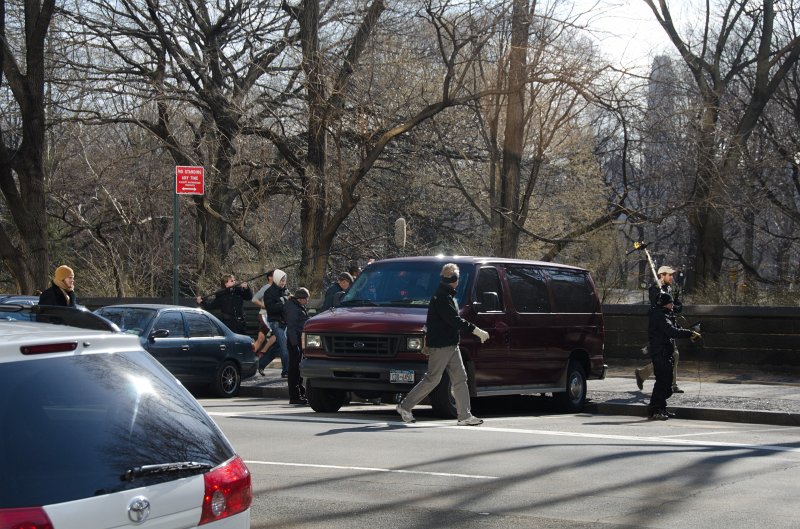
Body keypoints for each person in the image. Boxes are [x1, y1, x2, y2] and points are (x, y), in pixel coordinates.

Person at [395, 263, 490, 426]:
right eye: (457, 277)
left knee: (460, 378)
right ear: (455, 279)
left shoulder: (445, 295)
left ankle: (464, 416)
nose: (458, 280)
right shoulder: (443, 297)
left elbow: (435, 321)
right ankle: (405, 406)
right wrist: (476, 330)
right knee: (433, 378)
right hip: (441, 345)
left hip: (450, 344)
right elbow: (453, 320)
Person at [647, 293, 700, 420]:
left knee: (667, 384)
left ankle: (661, 408)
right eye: (670, 303)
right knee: (662, 383)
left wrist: (691, 331)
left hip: (665, 353)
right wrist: (689, 334)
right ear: (664, 304)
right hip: (660, 354)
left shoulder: (667, 315)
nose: (672, 305)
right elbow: (671, 331)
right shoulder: (659, 316)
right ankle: (655, 410)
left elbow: (677, 329)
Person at [634, 265, 685, 393]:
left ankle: (643, 374)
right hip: (660, 326)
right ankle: (671, 384)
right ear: (662, 275)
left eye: (672, 275)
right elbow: (658, 305)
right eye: (669, 275)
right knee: (671, 355)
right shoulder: (655, 289)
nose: (672, 277)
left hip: (669, 323)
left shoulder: (669, 288)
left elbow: (676, 306)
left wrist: (676, 305)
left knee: (672, 355)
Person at [284, 287, 310, 404]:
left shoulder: (297, 306)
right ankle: (294, 396)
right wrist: (295, 345)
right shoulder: (293, 308)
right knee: (294, 369)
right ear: (300, 298)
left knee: (297, 368)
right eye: (306, 298)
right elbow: (292, 328)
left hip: (298, 340)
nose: (308, 301)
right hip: (294, 341)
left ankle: (300, 393)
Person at [263, 269, 290, 378]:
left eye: (284, 280)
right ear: (276, 279)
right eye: (281, 280)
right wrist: (283, 304)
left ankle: (260, 364)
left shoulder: (286, 291)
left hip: (285, 322)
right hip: (275, 322)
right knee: (284, 346)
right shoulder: (269, 292)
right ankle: (286, 371)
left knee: (278, 347)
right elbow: (270, 309)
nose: (283, 282)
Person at [252, 271, 277, 374]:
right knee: (275, 334)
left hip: (272, 316)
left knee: (261, 338)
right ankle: (261, 352)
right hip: (265, 315)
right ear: (270, 278)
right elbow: (254, 299)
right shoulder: (266, 288)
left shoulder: (277, 288)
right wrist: (265, 306)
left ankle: (254, 354)